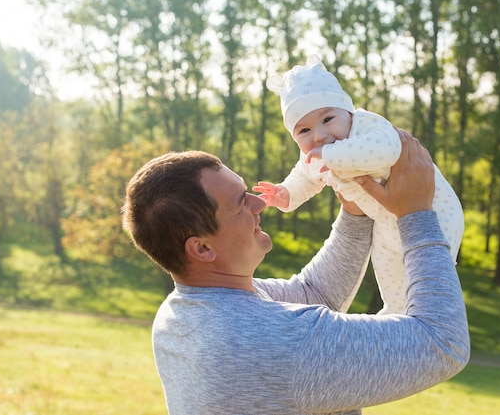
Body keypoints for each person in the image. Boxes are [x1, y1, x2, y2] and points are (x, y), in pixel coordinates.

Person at [121, 130, 469, 415]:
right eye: (241, 203)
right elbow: (441, 343)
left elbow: (317, 293)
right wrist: (417, 215)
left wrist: (355, 206)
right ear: (202, 248)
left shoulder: (180, 315)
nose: (259, 204)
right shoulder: (271, 342)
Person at [256, 54, 465, 314]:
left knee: (427, 278)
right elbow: (305, 177)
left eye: (328, 119)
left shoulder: (366, 125)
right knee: (389, 275)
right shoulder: (314, 154)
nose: (319, 135)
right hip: (385, 223)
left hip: (433, 212)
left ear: (347, 111)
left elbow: (387, 149)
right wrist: (285, 194)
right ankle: (396, 314)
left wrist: (332, 156)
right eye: (304, 131)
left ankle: (433, 319)